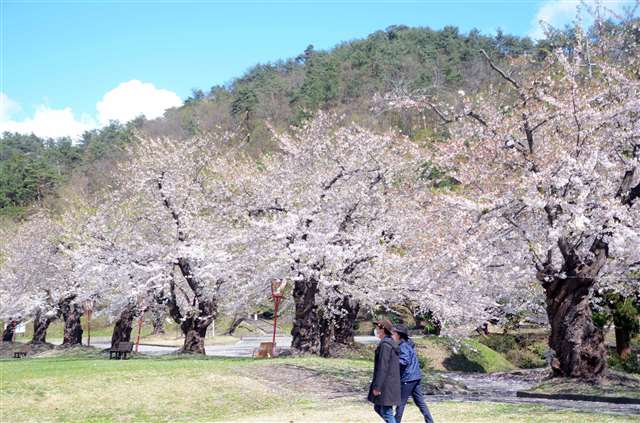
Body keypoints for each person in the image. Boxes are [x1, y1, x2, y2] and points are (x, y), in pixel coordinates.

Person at [392, 324, 435, 423]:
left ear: (399, 334)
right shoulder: (408, 343)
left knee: (400, 403)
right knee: (420, 403)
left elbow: (404, 361)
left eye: (394, 333)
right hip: (415, 377)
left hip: (408, 378)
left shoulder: (403, 346)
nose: (392, 335)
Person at [368, 319, 401, 423]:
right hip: (389, 383)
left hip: (386, 385)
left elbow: (383, 367)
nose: (376, 330)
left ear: (383, 330)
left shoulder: (385, 345)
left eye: (377, 328)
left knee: (387, 412)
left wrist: (377, 387)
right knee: (378, 408)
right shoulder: (388, 343)